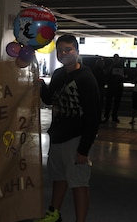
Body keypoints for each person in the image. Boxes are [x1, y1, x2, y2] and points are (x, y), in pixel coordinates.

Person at [37, 34, 100, 222]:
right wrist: (40, 85)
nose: (63, 54)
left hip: (76, 139)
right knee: (59, 177)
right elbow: (50, 99)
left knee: (78, 183)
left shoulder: (86, 79)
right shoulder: (58, 74)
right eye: (60, 50)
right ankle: (54, 213)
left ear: (77, 52)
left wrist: (83, 149)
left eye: (68, 50)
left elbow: (94, 116)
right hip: (57, 136)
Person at [102, 54, 125, 123]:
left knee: (116, 102)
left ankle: (114, 116)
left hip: (118, 86)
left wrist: (121, 76)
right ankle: (106, 116)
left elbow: (125, 74)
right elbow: (106, 72)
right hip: (111, 85)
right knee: (108, 102)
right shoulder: (110, 65)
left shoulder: (121, 66)